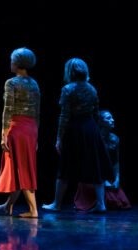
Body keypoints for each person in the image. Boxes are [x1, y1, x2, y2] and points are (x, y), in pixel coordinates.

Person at [42, 57, 113, 212]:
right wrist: (96, 133)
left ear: (69, 72)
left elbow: (64, 116)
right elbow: (95, 113)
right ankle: (101, 204)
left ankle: (57, 204)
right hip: (90, 128)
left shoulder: (68, 89)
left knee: (65, 166)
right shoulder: (92, 88)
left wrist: (59, 138)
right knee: (95, 165)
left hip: (74, 128)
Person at [0, 47, 40, 218]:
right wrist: (36, 136)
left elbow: (8, 110)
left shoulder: (11, 83)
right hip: (31, 129)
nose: (10, 63)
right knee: (18, 168)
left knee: (22, 168)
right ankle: (8, 206)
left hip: (17, 128)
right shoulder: (34, 83)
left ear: (17, 63)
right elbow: (37, 112)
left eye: (12, 60)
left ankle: (34, 210)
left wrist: (3, 134)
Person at [73, 109, 131, 210]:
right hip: (92, 177)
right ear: (100, 122)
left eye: (112, 118)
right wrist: (103, 181)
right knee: (107, 198)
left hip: (107, 175)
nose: (112, 120)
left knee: (121, 202)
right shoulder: (94, 139)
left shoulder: (115, 139)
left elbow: (116, 162)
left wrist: (117, 179)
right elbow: (90, 164)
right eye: (108, 118)